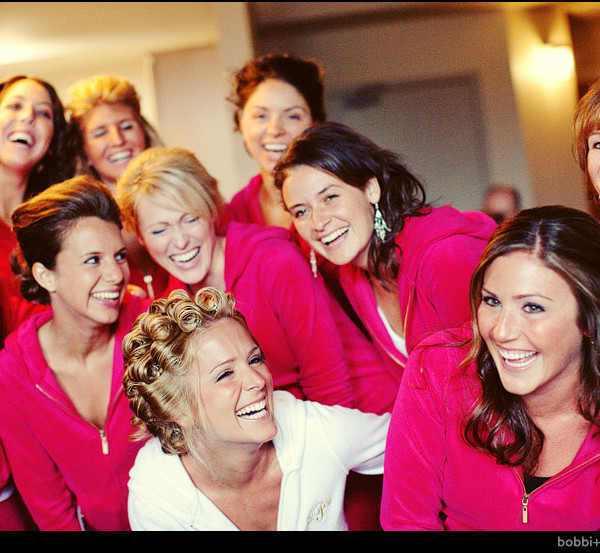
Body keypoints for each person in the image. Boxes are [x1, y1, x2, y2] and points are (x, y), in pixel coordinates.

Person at [381, 205, 600, 531]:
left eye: (532, 307)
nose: (500, 331)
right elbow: (406, 522)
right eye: (492, 301)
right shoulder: (437, 368)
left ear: (590, 317)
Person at [123, 286, 391, 531]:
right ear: (177, 410)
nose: (258, 381)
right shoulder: (157, 498)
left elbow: (410, 437)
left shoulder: (313, 429)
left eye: (255, 359)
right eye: (225, 374)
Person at [116, 146, 357, 408]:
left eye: (190, 220)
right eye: (159, 230)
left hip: (341, 414)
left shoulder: (275, 261)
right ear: (140, 236)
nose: (181, 241)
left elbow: (329, 385)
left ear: (211, 211)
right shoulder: (171, 306)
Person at [274, 121, 497, 379]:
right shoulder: (353, 275)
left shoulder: (446, 254)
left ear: (371, 189)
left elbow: (486, 375)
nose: (318, 223)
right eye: (301, 211)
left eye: (330, 197)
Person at [0, 176, 149, 530]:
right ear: (45, 276)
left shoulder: (152, 330)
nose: (116, 275)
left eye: (119, 256)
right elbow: (51, 509)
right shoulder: (13, 374)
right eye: (92, 260)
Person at [66, 74, 167, 297]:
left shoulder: (182, 201)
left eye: (126, 126)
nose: (118, 140)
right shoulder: (75, 224)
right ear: (85, 152)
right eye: (101, 133)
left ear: (144, 135)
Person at [0, 75, 73, 335]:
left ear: (52, 141)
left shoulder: (59, 221)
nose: (28, 117)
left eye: (43, 113)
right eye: (14, 106)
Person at [225, 53, 326, 229]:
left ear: (314, 124)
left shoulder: (338, 196)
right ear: (240, 122)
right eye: (261, 115)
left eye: (292, 116)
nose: (275, 130)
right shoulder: (235, 214)